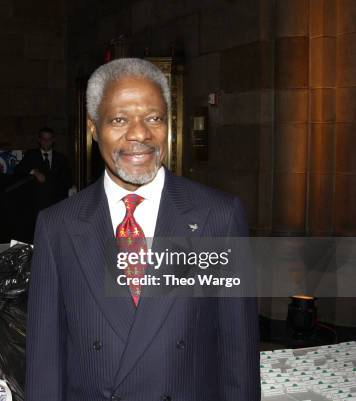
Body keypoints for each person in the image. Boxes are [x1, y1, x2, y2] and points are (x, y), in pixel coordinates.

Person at [26, 58, 260, 401]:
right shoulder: (57, 226)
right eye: (119, 120)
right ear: (93, 129)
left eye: (153, 118)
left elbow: (238, 352)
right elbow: (45, 359)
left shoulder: (218, 217)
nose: (139, 134)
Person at [14, 127, 72, 240]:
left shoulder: (61, 158)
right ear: (39, 140)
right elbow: (18, 170)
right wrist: (34, 171)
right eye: (44, 139)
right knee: (37, 237)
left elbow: (68, 180)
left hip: (56, 204)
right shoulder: (31, 155)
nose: (46, 142)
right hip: (36, 205)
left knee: (54, 237)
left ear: (53, 140)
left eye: (49, 139)